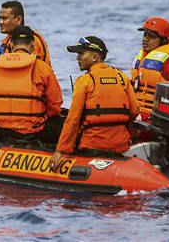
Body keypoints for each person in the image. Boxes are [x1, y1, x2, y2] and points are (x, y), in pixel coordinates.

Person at [49, 36, 138, 171]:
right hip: (120, 146)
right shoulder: (122, 77)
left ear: (95, 57)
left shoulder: (85, 81)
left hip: (92, 146)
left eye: (81, 54)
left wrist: (60, 151)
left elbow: (73, 120)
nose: (77, 58)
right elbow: (134, 111)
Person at [0, 26, 63, 143]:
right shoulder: (43, 68)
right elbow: (55, 106)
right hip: (33, 132)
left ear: (11, 44)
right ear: (32, 45)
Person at [131, 16, 169, 119]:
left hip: (156, 117)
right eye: (145, 35)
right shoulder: (142, 58)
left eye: (151, 37)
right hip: (138, 111)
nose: (145, 39)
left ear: (163, 40)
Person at [0, 0, 51, 65]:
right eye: (0, 18)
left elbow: (30, 66)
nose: (0, 22)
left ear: (19, 19)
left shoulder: (31, 39)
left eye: (4, 18)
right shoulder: (7, 40)